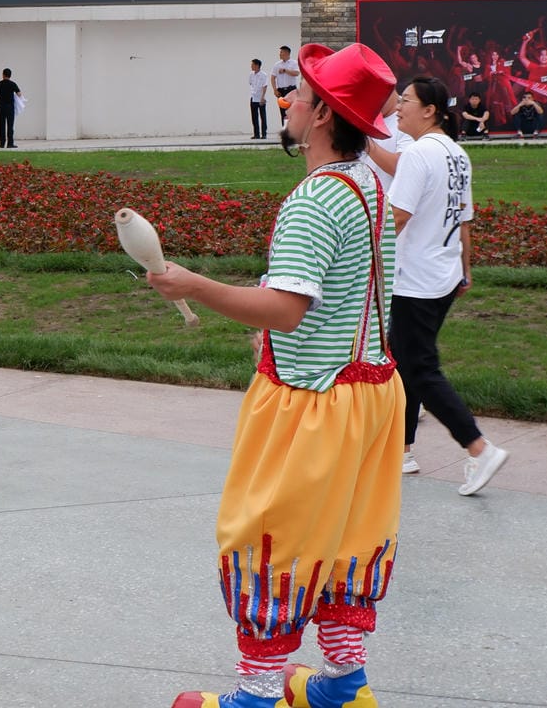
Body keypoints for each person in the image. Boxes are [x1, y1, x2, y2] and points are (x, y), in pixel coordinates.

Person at [149, 43, 404, 708]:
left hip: (310, 402)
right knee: (348, 540)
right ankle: (344, 686)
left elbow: (284, 311)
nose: (286, 100)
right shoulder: (372, 186)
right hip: (373, 394)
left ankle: (254, 696)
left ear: (323, 114)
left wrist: (191, 284)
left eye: (300, 93)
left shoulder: (316, 200)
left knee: (268, 539)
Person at [389, 76, 509, 495]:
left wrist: (349, 255)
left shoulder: (420, 153)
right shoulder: (456, 153)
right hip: (441, 276)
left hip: (415, 280)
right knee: (403, 364)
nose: (398, 107)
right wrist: (465, 268)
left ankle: (477, 447)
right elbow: (463, 219)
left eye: (405, 101)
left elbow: (396, 219)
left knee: (419, 369)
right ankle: (398, 450)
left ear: (430, 110)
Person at [0, 68, 20, 148]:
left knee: (2, 124)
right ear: (10, 75)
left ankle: (2, 144)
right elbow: (19, 94)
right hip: (10, 107)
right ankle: (10, 144)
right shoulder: (13, 84)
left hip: (1, 107)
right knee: (10, 125)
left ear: (3, 75)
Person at [270, 45, 301, 124]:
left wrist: (285, 70)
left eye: (281, 52)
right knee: (283, 112)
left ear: (287, 53)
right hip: (281, 91)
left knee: (292, 111)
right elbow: (273, 77)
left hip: (291, 90)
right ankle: (285, 131)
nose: (280, 54)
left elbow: (296, 73)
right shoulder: (277, 64)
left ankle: (293, 132)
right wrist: (275, 90)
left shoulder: (294, 63)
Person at [247, 58, 269, 140]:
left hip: (261, 97)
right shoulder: (251, 74)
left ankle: (264, 134)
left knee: (263, 116)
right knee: (254, 116)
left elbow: (265, 86)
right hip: (253, 97)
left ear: (257, 65)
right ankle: (256, 134)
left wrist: (263, 97)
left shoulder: (264, 75)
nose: (251, 66)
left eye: (252, 64)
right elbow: (250, 83)